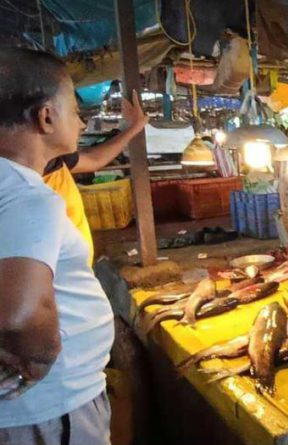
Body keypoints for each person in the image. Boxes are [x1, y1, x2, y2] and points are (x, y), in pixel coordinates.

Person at [0, 48, 113, 444]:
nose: (81, 123)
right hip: (50, 411)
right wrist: (41, 359)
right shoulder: (29, 195)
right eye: (73, 109)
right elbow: (20, 315)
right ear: (46, 116)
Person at [43, 94, 148, 264]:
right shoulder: (19, 187)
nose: (82, 125)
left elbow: (95, 160)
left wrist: (134, 127)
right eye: (74, 113)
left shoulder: (57, 161)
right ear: (45, 117)